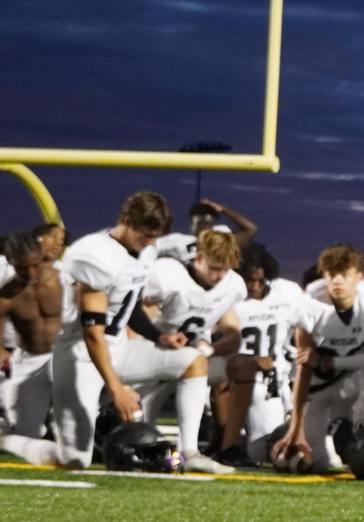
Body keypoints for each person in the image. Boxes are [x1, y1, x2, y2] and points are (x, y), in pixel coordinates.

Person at [2, 193, 170, 469]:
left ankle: (191, 450)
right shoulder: (92, 254)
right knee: (49, 446)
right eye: (145, 235)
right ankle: (5, 439)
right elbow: (92, 332)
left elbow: (128, 306)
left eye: (61, 239)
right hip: (56, 354)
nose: (58, 244)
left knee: (191, 363)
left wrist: (159, 337)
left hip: (98, 350)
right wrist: (117, 389)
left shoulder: (142, 252)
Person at [127, 229, 248, 474]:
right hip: (151, 356)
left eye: (225, 269)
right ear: (199, 258)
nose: (220, 276)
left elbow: (233, 337)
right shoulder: (169, 275)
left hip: (191, 361)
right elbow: (133, 321)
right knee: (134, 439)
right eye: (215, 267)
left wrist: (210, 348)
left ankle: (210, 449)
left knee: (237, 364)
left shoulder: (232, 285)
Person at [274, 243, 364, 472]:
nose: (337, 281)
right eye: (332, 275)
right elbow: (304, 368)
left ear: (359, 277)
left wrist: (330, 362)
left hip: (351, 381)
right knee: (306, 463)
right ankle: (297, 436)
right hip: (314, 388)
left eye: (344, 275)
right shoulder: (309, 306)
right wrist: (296, 426)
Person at [216, 244, 302, 465]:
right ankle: (224, 441)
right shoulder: (228, 298)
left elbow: (303, 329)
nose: (255, 286)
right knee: (262, 449)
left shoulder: (287, 293)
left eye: (260, 280)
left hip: (279, 376)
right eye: (249, 280)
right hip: (248, 379)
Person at [0, 232, 62, 438]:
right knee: (26, 433)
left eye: (35, 264)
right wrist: (3, 356)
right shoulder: (5, 297)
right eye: (22, 267)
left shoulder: (66, 282)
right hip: (29, 360)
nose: (30, 272)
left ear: (41, 255)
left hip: (66, 356)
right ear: (10, 262)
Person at [156, 199, 258, 262]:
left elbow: (250, 229)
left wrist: (222, 209)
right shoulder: (173, 240)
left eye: (210, 223)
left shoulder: (220, 236)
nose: (206, 227)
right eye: (202, 222)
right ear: (192, 222)